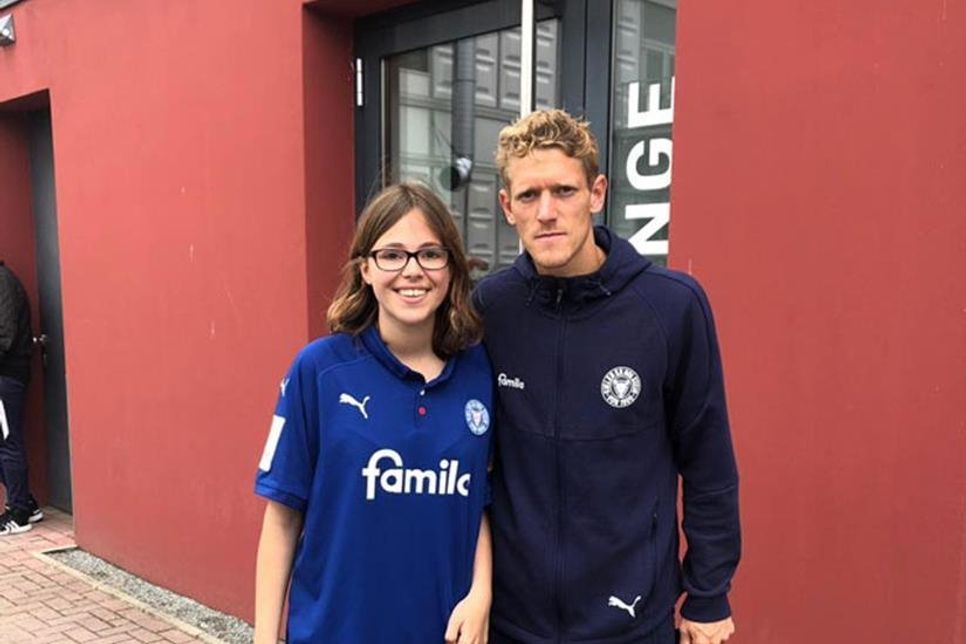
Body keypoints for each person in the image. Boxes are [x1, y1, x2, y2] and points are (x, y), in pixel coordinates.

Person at [474, 110, 740, 644]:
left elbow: (709, 464)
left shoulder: (671, 308)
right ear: (507, 207)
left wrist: (709, 594)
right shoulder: (489, 309)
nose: (546, 212)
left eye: (564, 191)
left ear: (597, 193)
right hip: (512, 622)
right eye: (528, 196)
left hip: (631, 621)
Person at [253, 183, 494, 644]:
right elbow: (282, 518)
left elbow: (479, 501)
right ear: (365, 268)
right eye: (392, 255)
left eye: (430, 254)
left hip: (442, 632)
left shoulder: (478, 372)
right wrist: (265, 638)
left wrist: (481, 592)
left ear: (451, 268)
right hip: (335, 632)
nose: (412, 271)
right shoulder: (319, 371)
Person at [0, 260, 44, 536]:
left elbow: (5, 337)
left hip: (5, 376)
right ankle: (26, 503)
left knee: (7, 442)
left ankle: (18, 514)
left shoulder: (2, 282)